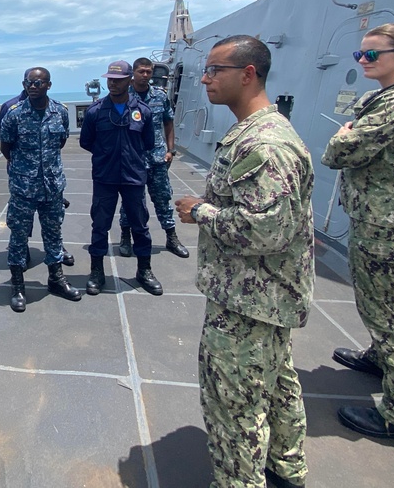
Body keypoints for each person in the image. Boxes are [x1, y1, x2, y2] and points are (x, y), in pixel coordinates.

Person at [174, 35, 313, 488]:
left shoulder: (265, 145)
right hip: (263, 295)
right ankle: (285, 468)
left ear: (248, 74)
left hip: (249, 298)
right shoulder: (257, 132)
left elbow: (267, 230)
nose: (206, 78)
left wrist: (202, 211)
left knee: (232, 403)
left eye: (215, 70)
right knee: (275, 386)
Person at [322, 24, 394, 445]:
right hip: (377, 219)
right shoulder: (384, 97)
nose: (364, 61)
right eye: (360, 55)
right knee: (379, 302)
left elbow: (342, 151)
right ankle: (380, 358)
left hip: (391, 224)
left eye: (373, 55)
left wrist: (341, 138)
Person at [0, 67, 82, 311]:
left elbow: (61, 142)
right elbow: (7, 148)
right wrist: (25, 170)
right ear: (24, 85)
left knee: (54, 234)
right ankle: (17, 285)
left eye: (39, 82)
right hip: (24, 188)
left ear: (49, 85)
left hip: (52, 187)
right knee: (18, 237)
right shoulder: (14, 114)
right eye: (29, 82)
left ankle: (56, 279)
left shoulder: (60, 112)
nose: (33, 86)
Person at [79, 60, 163, 296]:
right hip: (105, 177)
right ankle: (97, 272)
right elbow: (86, 141)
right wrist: (107, 154)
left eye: (118, 80)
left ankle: (144, 270)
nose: (112, 84)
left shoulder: (143, 111)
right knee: (100, 225)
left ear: (129, 80)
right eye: (110, 80)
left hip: (134, 176)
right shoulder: (96, 112)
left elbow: (148, 142)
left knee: (140, 225)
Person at [118, 57, 188, 260]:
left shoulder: (160, 96)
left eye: (149, 72)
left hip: (157, 158)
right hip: (133, 160)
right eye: (141, 71)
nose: (145, 75)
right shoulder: (123, 97)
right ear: (133, 73)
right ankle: (125, 236)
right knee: (130, 202)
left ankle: (171, 237)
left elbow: (168, 123)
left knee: (163, 198)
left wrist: (171, 150)